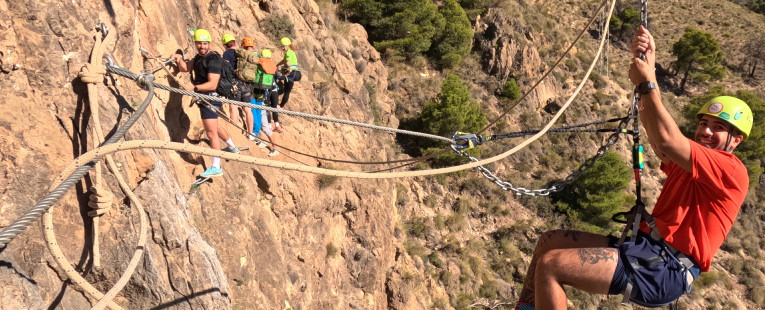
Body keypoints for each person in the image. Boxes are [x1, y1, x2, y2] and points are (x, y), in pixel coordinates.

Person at [513, 26, 753, 310]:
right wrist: (647, 73)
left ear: (736, 140)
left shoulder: (731, 170)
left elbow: (667, 138)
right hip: (646, 249)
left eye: (719, 128)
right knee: (549, 243)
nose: (706, 132)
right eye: (703, 124)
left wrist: (647, 82)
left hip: (665, 269)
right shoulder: (691, 164)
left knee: (552, 265)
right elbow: (659, 140)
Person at [172, 29, 240, 178]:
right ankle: (232, 147)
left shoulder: (213, 60)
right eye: (199, 43)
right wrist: (179, 57)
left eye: (204, 43)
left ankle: (216, 166)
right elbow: (185, 68)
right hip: (207, 98)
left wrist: (193, 88)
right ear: (195, 43)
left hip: (210, 98)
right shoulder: (198, 58)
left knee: (211, 133)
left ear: (209, 43)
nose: (202, 46)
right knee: (214, 126)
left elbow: (212, 84)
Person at [221, 34, 255, 140]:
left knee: (233, 107)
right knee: (247, 109)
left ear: (225, 44)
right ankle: (251, 134)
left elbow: (226, 67)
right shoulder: (242, 52)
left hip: (234, 84)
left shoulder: (227, 53)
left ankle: (234, 134)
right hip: (246, 84)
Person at [275, 37, 301, 133]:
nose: (282, 48)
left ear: (287, 45)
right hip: (293, 73)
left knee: (287, 91)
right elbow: (283, 60)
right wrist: (277, 64)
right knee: (287, 90)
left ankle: (281, 106)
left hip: (291, 73)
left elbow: (287, 63)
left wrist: (280, 68)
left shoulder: (289, 53)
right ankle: (281, 105)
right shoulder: (289, 52)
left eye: (283, 46)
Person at [260, 48, 281, 131]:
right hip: (274, 89)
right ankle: (277, 124)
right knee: (274, 107)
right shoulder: (273, 66)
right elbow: (278, 76)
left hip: (266, 89)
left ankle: (269, 125)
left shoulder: (261, 66)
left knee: (267, 106)